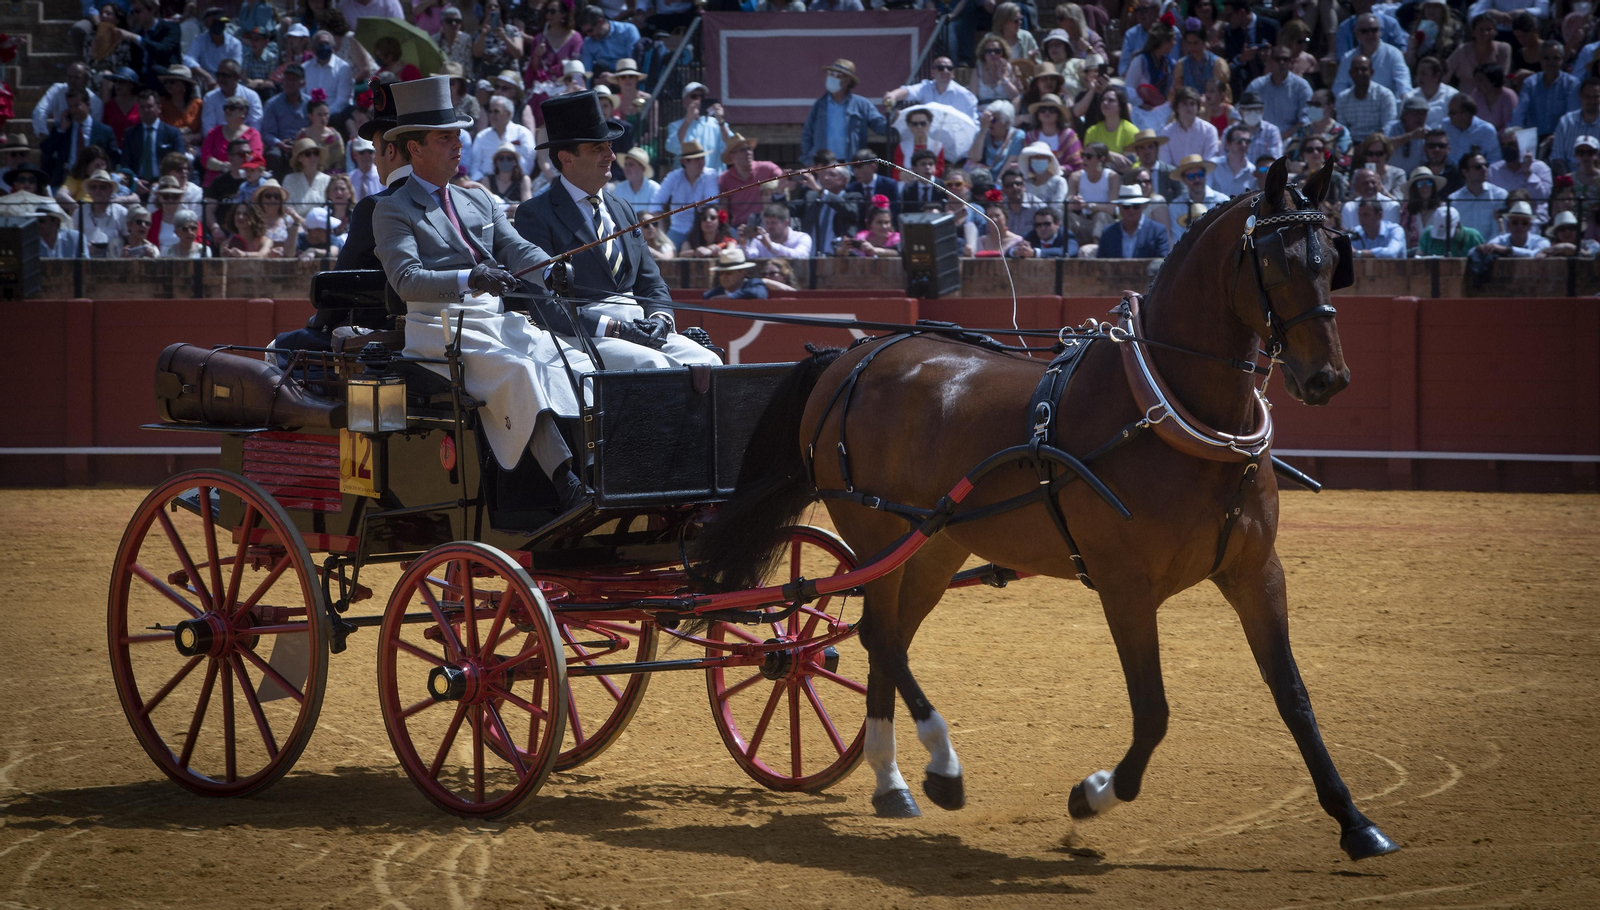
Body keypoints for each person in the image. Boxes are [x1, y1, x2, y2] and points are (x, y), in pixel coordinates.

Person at [511, 88, 719, 367]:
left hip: (640, 326)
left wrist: (659, 319)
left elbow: (651, 281)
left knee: (708, 362)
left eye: (609, 147)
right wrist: (616, 328)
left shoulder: (622, 208)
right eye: (598, 148)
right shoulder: (536, 214)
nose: (610, 156)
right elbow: (546, 305)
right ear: (567, 158)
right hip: (584, 333)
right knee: (652, 367)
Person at [801, 60, 888, 166]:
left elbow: (880, 127)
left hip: (851, 164)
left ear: (847, 81)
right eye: (830, 74)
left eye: (837, 75)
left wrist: (895, 120)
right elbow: (807, 134)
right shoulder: (819, 105)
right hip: (823, 165)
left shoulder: (862, 104)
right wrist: (808, 158)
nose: (832, 78)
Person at [41, 88, 119, 187]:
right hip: (65, 181)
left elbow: (114, 158)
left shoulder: (104, 131)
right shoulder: (62, 128)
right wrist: (61, 130)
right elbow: (46, 150)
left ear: (88, 105)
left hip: (94, 182)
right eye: (70, 106)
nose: (73, 110)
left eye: (77, 105)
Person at [651, 139, 719, 245]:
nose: (701, 162)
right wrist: (662, 234)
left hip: (703, 230)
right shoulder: (673, 177)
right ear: (684, 161)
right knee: (666, 253)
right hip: (678, 229)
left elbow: (711, 205)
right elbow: (655, 203)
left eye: (702, 158)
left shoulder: (710, 175)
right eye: (696, 159)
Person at [1334, 14, 1412, 98]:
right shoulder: (1348, 58)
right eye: (1364, 31)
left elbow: (1403, 81)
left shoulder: (1393, 54)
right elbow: (1339, 86)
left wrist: (1406, 98)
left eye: (1374, 30)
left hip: (1386, 106)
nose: (1370, 34)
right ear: (1356, 34)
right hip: (1356, 106)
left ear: (1380, 32)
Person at [1515, 40, 1578, 141]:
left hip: (1562, 138)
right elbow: (1520, 112)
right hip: (1533, 139)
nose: (1551, 62)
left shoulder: (1572, 84)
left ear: (1562, 60)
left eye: (1556, 58)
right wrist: (1516, 132)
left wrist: (1558, 137)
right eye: (1546, 58)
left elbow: (1572, 117)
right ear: (1540, 59)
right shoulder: (1530, 83)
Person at [719, 135, 787, 227]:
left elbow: (784, 183)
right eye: (743, 150)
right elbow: (723, 208)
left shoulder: (768, 169)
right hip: (739, 228)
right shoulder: (725, 178)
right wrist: (725, 231)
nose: (748, 152)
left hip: (766, 225)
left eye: (749, 149)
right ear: (732, 156)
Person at [123, 89, 184, 190]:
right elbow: (125, 164)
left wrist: (162, 181)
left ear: (159, 108)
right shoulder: (131, 134)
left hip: (166, 184)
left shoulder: (173, 133)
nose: (146, 110)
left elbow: (179, 162)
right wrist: (134, 181)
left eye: (149, 106)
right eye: (142, 107)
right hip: (137, 184)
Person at [1245, 45, 1311, 138]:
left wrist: (1280, 138)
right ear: (1270, 61)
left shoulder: (1302, 87)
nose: (1281, 62)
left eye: (1286, 59)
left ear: (1291, 62)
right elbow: (1242, 111)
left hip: (1291, 140)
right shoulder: (1257, 85)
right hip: (1260, 138)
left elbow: (1305, 120)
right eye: (1277, 59)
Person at [883, 56, 978, 120]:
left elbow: (972, 123)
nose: (945, 71)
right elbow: (908, 91)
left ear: (953, 73)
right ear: (933, 72)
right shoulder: (926, 87)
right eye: (941, 68)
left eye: (949, 68)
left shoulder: (965, 95)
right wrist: (893, 95)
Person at [1488, 127, 1553, 219]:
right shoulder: (1493, 170)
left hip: (1533, 223)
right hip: (1503, 224)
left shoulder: (1541, 168)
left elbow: (1542, 197)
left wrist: (1528, 173)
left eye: (1511, 144)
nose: (1507, 148)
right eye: (1503, 145)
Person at [799, 165, 863, 256]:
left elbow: (851, 212)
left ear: (844, 180)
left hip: (838, 257)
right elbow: (788, 210)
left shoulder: (853, 197)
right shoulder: (811, 197)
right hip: (811, 256)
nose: (826, 178)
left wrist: (821, 191)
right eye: (825, 174)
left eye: (832, 175)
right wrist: (780, 190)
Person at [470, 95, 537, 180]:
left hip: (515, 182)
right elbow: (475, 166)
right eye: (490, 112)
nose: (492, 115)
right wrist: (481, 183)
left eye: (496, 111)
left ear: (508, 114)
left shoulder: (523, 133)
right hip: (485, 183)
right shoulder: (482, 136)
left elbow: (528, 161)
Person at [664, 83, 730, 170]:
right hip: (687, 181)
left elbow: (731, 146)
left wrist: (721, 121)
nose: (698, 100)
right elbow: (672, 147)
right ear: (684, 103)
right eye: (694, 96)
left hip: (713, 180)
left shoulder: (716, 123)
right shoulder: (675, 126)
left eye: (702, 96)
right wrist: (687, 121)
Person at [200, 97, 262, 187]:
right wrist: (222, 166)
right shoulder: (214, 132)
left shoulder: (253, 134)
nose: (227, 110)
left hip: (243, 183)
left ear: (244, 112)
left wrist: (234, 169)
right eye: (225, 107)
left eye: (232, 107)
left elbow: (255, 159)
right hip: (214, 183)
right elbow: (205, 158)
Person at [1447, 151, 1509, 241]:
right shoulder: (1453, 200)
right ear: (1465, 172)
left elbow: (1500, 230)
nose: (1484, 169)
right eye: (1478, 167)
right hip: (1463, 252)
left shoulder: (1500, 195)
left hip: (1493, 250)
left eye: (1486, 165)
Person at [1336, 55, 1397, 143]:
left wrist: (1368, 146)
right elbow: (1342, 130)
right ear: (1350, 73)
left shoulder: (1385, 95)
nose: (1360, 73)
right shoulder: (1342, 98)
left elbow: (1388, 129)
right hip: (1350, 146)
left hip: (1377, 145)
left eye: (1364, 69)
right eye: (1356, 70)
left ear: (1371, 72)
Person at [1096, 185, 1169, 257]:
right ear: (1119, 207)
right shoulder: (1108, 233)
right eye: (1126, 206)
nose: (1131, 210)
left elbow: (1162, 262)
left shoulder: (1157, 231)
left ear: (1142, 207)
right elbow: (1101, 263)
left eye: (1136, 206)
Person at [1165, 154, 1226, 241]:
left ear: (1205, 175)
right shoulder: (1175, 206)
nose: (1197, 180)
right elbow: (1177, 239)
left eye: (1200, 175)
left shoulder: (1223, 201)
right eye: (1191, 177)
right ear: (1184, 180)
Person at [1445, 14, 1511, 89]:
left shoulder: (1503, 49)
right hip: (1467, 96)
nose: (1485, 33)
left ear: (1495, 32)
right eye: (1481, 29)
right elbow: (1446, 72)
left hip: (1493, 95)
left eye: (1489, 29)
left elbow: (1503, 77)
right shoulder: (1462, 50)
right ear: (1473, 33)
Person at [1159, 86, 1220, 165]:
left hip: (1202, 176)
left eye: (1192, 104)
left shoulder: (1209, 131)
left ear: (1198, 107)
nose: (1189, 108)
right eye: (1184, 104)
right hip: (1174, 176)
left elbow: (1210, 162)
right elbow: (1165, 165)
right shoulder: (1166, 133)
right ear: (1177, 108)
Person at [201, 59, 264, 134]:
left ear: (236, 77)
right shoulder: (210, 98)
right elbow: (208, 128)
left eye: (225, 75)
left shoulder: (251, 96)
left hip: (245, 140)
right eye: (218, 75)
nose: (220, 79)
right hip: (218, 141)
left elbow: (256, 125)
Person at [1553, 79, 1600, 172]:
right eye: (1587, 96)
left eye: (1596, 97)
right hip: (1570, 178)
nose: (1592, 101)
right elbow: (1557, 157)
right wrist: (1567, 182)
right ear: (1580, 96)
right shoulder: (1566, 122)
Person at [577, 5, 639, 75]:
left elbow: (633, 63)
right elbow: (587, 71)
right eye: (585, 33)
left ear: (600, 22)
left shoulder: (628, 31)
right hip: (601, 79)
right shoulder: (588, 42)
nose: (588, 35)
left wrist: (614, 78)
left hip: (625, 77)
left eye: (590, 30)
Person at [968, 100, 1027, 173]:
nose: (989, 123)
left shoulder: (1017, 135)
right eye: (988, 118)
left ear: (1006, 123)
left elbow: (1009, 164)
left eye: (993, 120)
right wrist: (982, 131)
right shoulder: (983, 132)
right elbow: (974, 158)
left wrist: (996, 183)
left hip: (1004, 178)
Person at [304, 30, 354, 114]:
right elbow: (302, 96)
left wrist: (324, 115)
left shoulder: (343, 68)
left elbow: (342, 100)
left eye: (327, 44)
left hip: (335, 114)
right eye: (320, 44)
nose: (324, 47)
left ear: (333, 48)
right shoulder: (305, 68)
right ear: (313, 49)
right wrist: (312, 115)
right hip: (309, 115)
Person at [1475, 200, 1548, 258]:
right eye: (1515, 222)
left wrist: (1507, 250)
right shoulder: (1501, 240)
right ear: (1508, 225)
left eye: (1524, 223)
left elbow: (1536, 253)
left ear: (1530, 226)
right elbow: (1489, 246)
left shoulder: (1540, 241)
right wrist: (1482, 248)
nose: (1520, 226)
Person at [741, 201, 814, 259]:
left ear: (786, 223)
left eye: (773, 223)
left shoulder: (802, 238)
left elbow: (800, 257)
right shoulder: (759, 240)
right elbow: (751, 257)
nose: (769, 226)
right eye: (767, 222)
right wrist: (744, 244)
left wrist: (771, 246)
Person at [1405, 56, 1457, 130]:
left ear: (1436, 76)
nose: (1419, 77)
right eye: (1417, 73)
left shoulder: (1452, 96)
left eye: (1423, 73)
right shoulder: (1410, 97)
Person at [1082, 88, 1138, 157]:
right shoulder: (1092, 132)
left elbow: (1134, 160)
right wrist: (1111, 155)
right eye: (1102, 100)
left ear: (1120, 106)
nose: (1105, 103)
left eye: (1111, 100)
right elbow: (1088, 157)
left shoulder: (1131, 131)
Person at [158, 64, 204, 147]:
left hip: (194, 147)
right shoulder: (161, 104)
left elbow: (203, 132)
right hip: (169, 146)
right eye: (166, 82)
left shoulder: (199, 105)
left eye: (172, 82)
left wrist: (189, 139)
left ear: (185, 85)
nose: (168, 85)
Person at [188, 8, 244, 77]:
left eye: (221, 22)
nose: (219, 25)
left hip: (227, 78)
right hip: (205, 79)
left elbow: (236, 66)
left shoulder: (235, 43)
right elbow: (189, 59)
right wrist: (207, 76)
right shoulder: (199, 40)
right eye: (215, 22)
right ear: (207, 24)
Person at [1400, 167, 1446, 249]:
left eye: (1428, 183)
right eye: (1420, 184)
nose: (1425, 187)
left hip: (1437, 256)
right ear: (1414, 188)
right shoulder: (1407, 211)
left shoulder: (1442, 209)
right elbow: (1404, 239)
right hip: (1413, 257)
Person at [970, 34, 1023, 105]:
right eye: (988, 51)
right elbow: (971, 99)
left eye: (997, 51)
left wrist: (1003, 78)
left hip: (1005, 109)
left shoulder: (1009, 68)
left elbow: (1015, 96)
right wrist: (982, 112)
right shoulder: (978, 71)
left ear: (1002, 54)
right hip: (984, 111)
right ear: (984, 54)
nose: (992, 54)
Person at [1352, 134, 1407, 198]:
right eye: (1370, 154)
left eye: (1379, 154)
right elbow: (1351, 202)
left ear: (1387, 154)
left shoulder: (1398, 174)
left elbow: (1399, 202)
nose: (1374, 157)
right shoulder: (1358, 174)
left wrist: (1381, 189)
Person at [1387, 94, 1432, 173]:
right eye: (1416, 113)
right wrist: (1411, 136)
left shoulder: (1428, 132)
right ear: (1404, 115)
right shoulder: (1392, 127)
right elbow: (1383, 146)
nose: (1420, 117)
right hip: (1391, 176)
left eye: (1423, 113)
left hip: (1415, 179)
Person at [1234, 90, 1281, 164]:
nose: (1253, 112)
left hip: (1263, 173)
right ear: (1240, 112)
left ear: (1262, 111)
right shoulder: (1230, 131)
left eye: (1256, 109)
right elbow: (1224, 159)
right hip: (1236, 174)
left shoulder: (1272, 131)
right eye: (1249, 109)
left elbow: (1275, 159)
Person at [703, 247, 768, 299]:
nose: (724, 276)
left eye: (729, 272)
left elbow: (760, 294)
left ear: (743, 273)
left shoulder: (754, 283)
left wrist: (730, 297)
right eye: (721, 273)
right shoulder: (712, 295)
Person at [1418, 203, 1482, 256]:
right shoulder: (1428, 234)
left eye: (1447, 231)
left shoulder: (1473, 236)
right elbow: (1418, 259)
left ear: (1458, 224)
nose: (1444, 238)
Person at [609, 147, 659, 214]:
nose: (627, 168)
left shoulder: (654, 188)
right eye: (625, 165)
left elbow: (656, 216)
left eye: (631, 165)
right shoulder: (619, 188)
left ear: (643, 169)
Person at [1212, 123, 1255, 195]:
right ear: (1227, 144)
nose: (1244, 145)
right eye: (1238, 141)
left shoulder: (1253, 172)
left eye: (1247, 141)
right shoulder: (1213, 166)